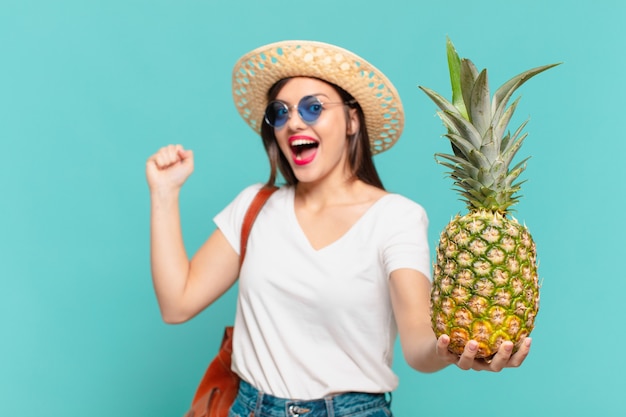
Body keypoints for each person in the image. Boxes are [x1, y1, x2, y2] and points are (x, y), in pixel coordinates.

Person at [146, 40, 531, 417]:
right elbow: (177, 304)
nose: (293, 121)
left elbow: (418, 343)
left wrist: (453, 349)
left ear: (351, 120)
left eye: (313, 107)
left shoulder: (395, 217)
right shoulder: (254, 207)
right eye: (280, 112)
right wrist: (164, 194)